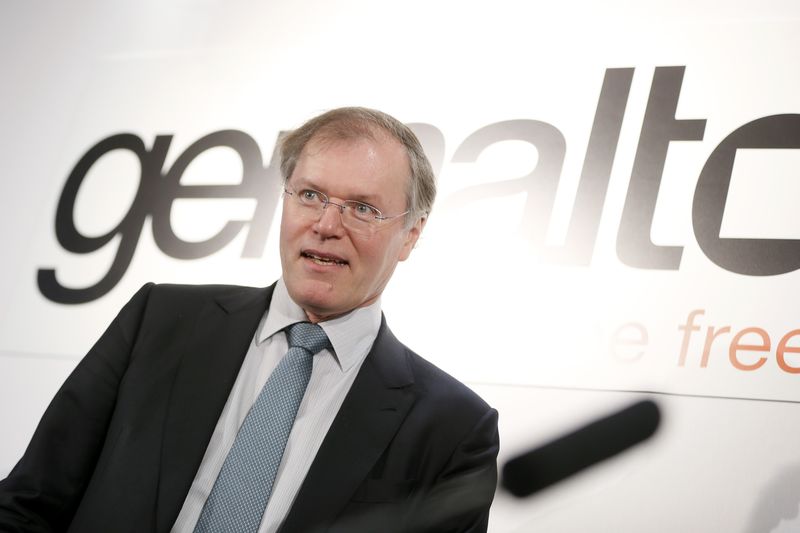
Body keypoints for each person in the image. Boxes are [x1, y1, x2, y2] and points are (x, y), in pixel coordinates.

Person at [0, 107, 499, 532]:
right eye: (310, 195)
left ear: (411, 235)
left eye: (362, 209)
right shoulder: (159, 320)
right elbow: (28, 504)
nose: (326, 225)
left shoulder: (454, 429)